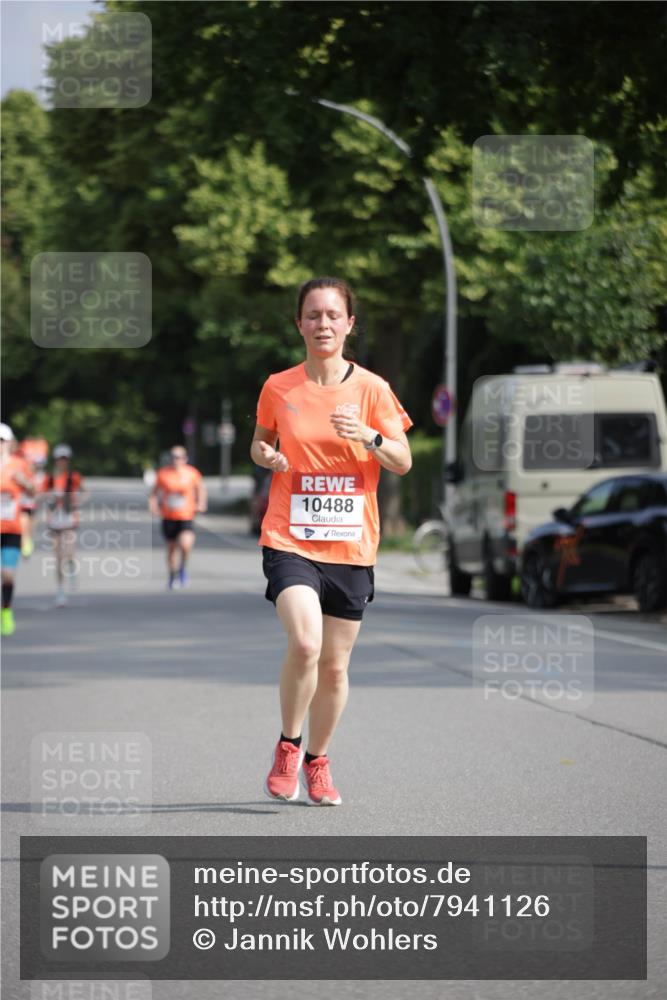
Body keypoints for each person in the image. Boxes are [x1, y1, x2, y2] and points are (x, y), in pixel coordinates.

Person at [251, 277, 412, 806]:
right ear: (299, 323)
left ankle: (318, 761)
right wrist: (267, 456)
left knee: (335, 667)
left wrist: (368, 435)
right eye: (313, 315)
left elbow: (402, 460)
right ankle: (288, 745)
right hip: (290, 537)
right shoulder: (279, 386)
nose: (323, 324)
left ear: (349, 324)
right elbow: (260, 443)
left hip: (350, 546)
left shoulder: (372, 389)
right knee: (305, 643)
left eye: (333, 315)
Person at [149, 446, 207, 589]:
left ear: (185, 458)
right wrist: (153, 506)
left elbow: (201, 489)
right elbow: (154, 493)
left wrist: (201, 503)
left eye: (179, 457)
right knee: (171, 549)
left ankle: (183, 568)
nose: (176, 460)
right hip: (168, 516)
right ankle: (172, 575)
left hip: (186, 515)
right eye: (173, 457)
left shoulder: (192, 473)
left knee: (186, 545)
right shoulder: (163, 473)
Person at [1, 423, 36, 635]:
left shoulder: (19, 464)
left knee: (7, 575)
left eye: (2, 441)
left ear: (10, 443)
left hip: (11, 528)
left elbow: (32, 493)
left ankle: (5, 610)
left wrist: (24, 482)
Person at [43, 444, 85, 607]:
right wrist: (49, 498)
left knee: (69, 553)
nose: (62, 462)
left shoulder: (73, 477)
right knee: (58, 558)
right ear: (55, 460)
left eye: (65, 459)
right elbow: (41, 496)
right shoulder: (49, 478)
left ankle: (72, 569)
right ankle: (60, 590)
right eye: (60, 459)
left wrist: (77, 501)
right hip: (55, 520)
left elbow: (85, 492)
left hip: (69, 519)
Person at [17, 437, 49, 557]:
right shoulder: (23, 472)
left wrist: (39, 496)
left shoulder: (42, 476)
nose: (35, 465)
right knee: (23, 524)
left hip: (35, 504)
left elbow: (44, 492)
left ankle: (28, 541)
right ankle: (24, 544)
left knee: (31, 525)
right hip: (23, 504)